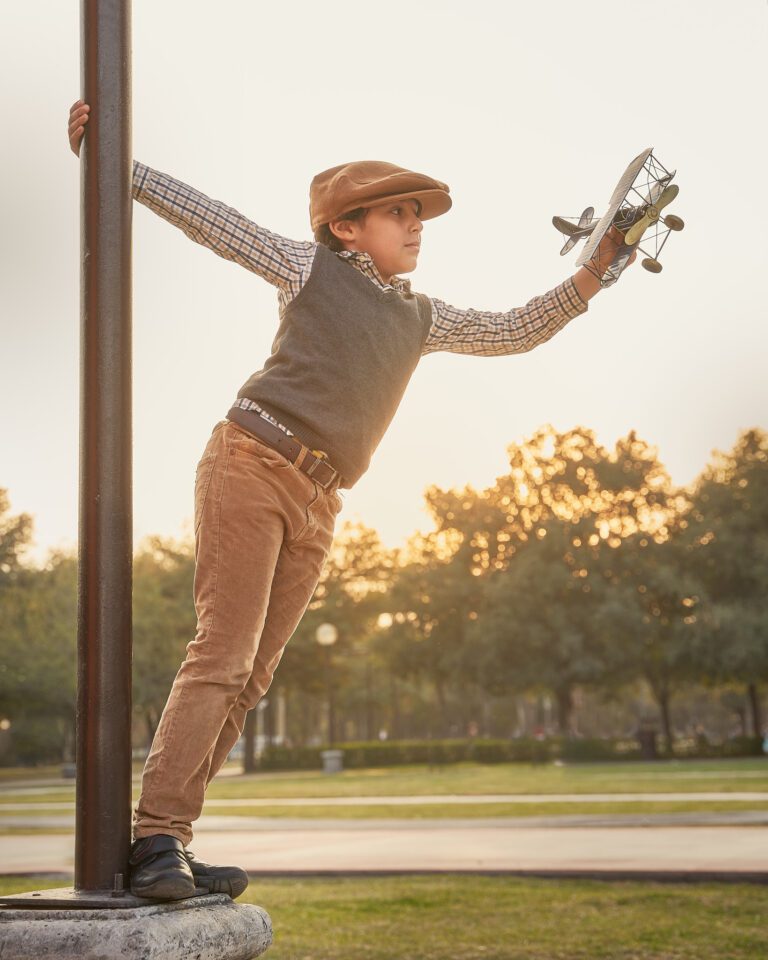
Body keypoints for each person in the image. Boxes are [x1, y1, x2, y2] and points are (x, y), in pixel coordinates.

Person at [68, 99, 634, 900]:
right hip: (252, 461)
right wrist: (115, 161)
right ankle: (155, 838)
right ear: (346, 228)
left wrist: (596, 267)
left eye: (419, 215)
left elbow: (516, 329)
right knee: (221, 656)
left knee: (252, 679)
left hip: (321, 498)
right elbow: (215, 222)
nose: (416, 225)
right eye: (398, 213)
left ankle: (174, 840)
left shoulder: (422, 318)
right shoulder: (310, 267)